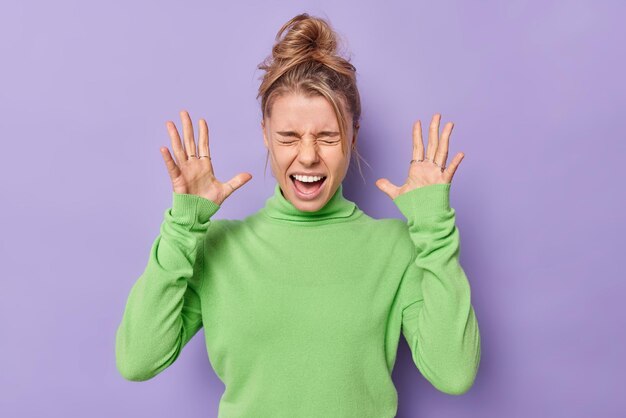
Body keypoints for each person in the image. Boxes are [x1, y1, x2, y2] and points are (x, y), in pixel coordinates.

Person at [115, 12, 481, 418]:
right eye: (288, 137)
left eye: (328, 136)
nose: (308, 155)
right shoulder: (217, 246)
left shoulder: (396, 247)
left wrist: (434, 227)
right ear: (265, 136)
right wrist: (183, 226)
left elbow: (454, 373)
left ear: (353, 137)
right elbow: (138, 360)